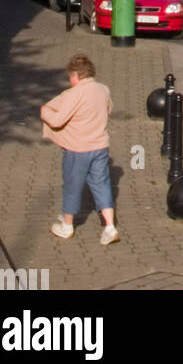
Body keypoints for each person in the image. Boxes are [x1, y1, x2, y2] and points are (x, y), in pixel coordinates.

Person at [40, 52, 119, 246]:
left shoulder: (75, 94)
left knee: (72, 186)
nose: (70, 80)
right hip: (100, 146)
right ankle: (109, 227)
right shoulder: (103, 89)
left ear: (76, 75)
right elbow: (108, 109)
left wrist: (45, 113)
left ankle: (67, 226)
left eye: (70, 77)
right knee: (101, 184)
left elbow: (58, 120)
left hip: (78, 148)